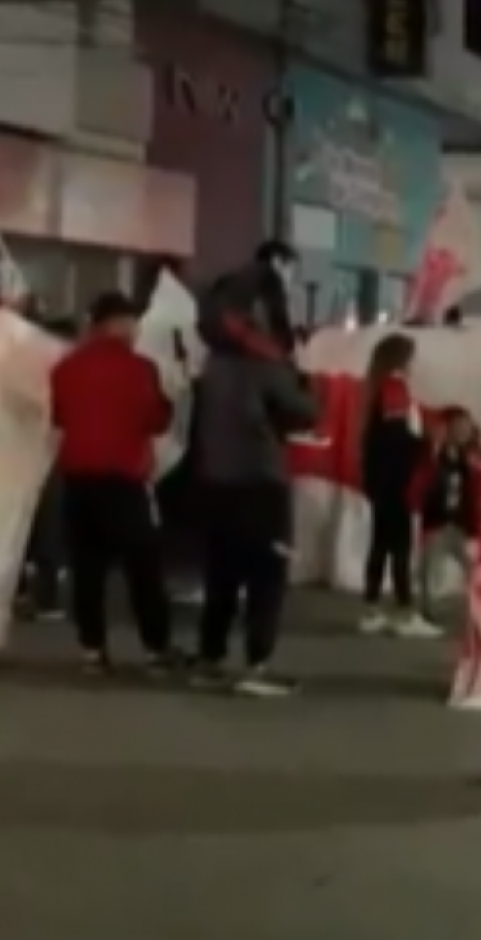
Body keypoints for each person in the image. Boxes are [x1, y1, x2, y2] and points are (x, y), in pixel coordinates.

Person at [189, 269, 320, 695]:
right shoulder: (264, 363)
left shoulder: (213, 363)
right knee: (267, 575)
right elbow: (304, 411)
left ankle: (209, 657)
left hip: (217, 479)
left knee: (222, 574)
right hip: (261, 481)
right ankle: (257, 663)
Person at [49, 291, 179, 673]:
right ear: (117, 324)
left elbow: (58, 416)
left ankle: (92, 648)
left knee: (87, 568)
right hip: (124, 480)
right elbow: (156, 421)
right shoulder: (140, 368)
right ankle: (156, 647)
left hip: (77, 478)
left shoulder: (66, 367)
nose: (137, 329)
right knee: (144, 566)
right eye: (132, 321)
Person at [359, 333, 434, 636]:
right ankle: (404, 610)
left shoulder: (377, 386)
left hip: (380, 477)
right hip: (395, 479)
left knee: (381, 544)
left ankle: (373, 606)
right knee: (399, 545)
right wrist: (424, 445)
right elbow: (396, 436)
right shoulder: (394, 388)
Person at [409, 406, 481, 626]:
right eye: (458, 427)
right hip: (437, 522)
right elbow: (419, 486)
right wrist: (434, 454)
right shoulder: (433, 454)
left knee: (477, 571)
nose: (463, 431)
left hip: (462, 525)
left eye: (467, 427)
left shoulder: (473, 458)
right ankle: (425, 612)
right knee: (428, 568)